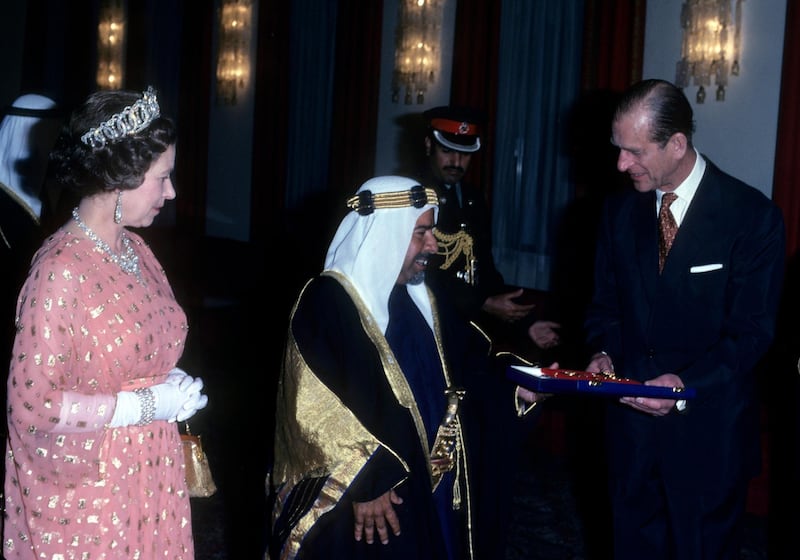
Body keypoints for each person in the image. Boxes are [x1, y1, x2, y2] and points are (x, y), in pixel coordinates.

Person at [267, 175, 544, 559]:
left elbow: (471, 365)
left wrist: (517, 385)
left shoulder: (424, 298)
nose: (433, 245)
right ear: (386, 236)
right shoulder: (327, 302)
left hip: (438, 487)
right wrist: (369, 482)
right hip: (375, 500)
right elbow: (312, 406)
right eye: (421, 234)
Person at [3, 86, 209, 559]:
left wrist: (169, 382)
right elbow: (32, 404)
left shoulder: (137, 251)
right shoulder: (59, 269)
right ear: (121, 178)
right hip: (94, 498)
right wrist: (143, 405)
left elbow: (139, 345)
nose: (171, 192)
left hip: (151, 472)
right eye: (162, 178)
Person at [583, 78, 785, 560]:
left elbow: (753, 332)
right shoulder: (617, 213)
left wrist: (684, 385)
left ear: (677, 144)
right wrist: (603, 351)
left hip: (707, 438)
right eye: (618, 149)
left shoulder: (751, 216)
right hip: (630, 436)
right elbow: (604, 306)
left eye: (633, 151)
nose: (620, 164)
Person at [418, 105, 560, 362]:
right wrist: (481, 302)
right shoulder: (414, 197)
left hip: (468, 331)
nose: (456, 162)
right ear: (429, 145)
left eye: (464, 154)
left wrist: (525, 323)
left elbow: (483, 268)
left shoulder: (472, 198)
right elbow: (420, 274)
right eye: (447, 150)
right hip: (426, 326)